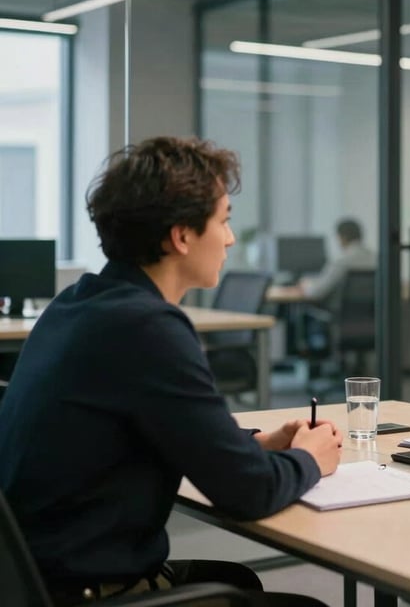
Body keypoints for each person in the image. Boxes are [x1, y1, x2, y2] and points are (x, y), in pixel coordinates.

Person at [0, 136, 343, 607]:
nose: (230, 238)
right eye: (223, 221)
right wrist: (310, 458)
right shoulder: (147, 327)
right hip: (86, 593)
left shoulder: (78, 303)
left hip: (39, 577)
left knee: (241, 582)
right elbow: (249, 493)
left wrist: (258, 444)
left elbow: (160, 430)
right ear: (181, 236)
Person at [298, 218, 376, 303]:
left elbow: (316, 292)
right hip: (371, 313)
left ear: (343, 237)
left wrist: (305, 285)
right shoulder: (376, 258)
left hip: (339, 314)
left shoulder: (341, 261)